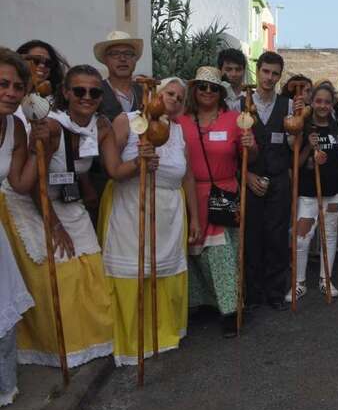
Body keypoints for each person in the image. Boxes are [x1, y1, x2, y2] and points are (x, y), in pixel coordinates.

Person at [1, 64, 150, 367]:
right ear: (66, 93)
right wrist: (54, 226)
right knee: (63, 274)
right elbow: (29, 187)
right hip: (34, 203)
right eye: (79, 91)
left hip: (67, 202)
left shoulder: (102, 125)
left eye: (94, 92)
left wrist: (141, 161)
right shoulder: (53, 127)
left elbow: (115, 171)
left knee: (92, 270)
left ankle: (91, 343)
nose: (87, 97)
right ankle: (56, 347)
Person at [99, 76, 200, 365]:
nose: (175, 100)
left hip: (169, 211)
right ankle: (132, 340)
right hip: (132, 205)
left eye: (181, 98)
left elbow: (189, 178)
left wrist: (194, 217)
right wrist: (137, 164)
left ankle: (163, 334)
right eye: (170, 93)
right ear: (155, 92)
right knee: (134, 267)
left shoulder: (179, 132)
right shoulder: (128, 121)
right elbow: (112, 167)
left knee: (163, 268)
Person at [179, 66, 257, 336]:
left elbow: (251, 157)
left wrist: (250, 144)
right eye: (203, 87)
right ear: (194, 90)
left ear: (221, 92)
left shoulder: (236, 119)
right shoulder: (181, 121)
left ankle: (231, 309)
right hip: (191, 194)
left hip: (224, 192)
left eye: (214, 87)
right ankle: (204, 301)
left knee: (223, 253)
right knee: (196, 253)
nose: (208, 92)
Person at [244, 52, 301, 311]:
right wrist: (246, 175)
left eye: (275, 73)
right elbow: (236, 150)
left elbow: (293, 146)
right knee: (253, 235)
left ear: (280, 76)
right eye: (265, 71)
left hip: (279, 178)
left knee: (277, 236)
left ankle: (275, 291)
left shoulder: (288, 105)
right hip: (252, 178)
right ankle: (253, 292)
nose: (269, 78)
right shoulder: (242, 103)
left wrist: (297, 129)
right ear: (258, 71)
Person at [0, 49, 39, 406]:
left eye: (17, 86)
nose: (11, 92)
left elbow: (19, 183)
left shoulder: (14, 127)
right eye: (2, 84)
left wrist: (41, 149)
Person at [287, 83, 338, 301]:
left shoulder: (336, 128)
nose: (322, 105)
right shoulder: (303, 127)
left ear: (332, 104)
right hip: (309, 191)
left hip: (333, 191)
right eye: (318, 101)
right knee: (302, 238)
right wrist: (309, 151)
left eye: (327, 102)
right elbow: (296, 163)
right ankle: (299, 282)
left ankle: (325, 279)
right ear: (312, 101)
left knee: (329, 236)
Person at [14, 40, 68, 131]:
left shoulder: (59, 100)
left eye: (48, 63)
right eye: (36, 60)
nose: (42, 65)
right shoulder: (7, 95)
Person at [94, 31, 144, 121]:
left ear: (135, 59)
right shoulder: (95, 91)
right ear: (106, 60)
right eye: (115, 54)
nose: (122, 59)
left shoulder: (143, 93)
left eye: (128, 54)